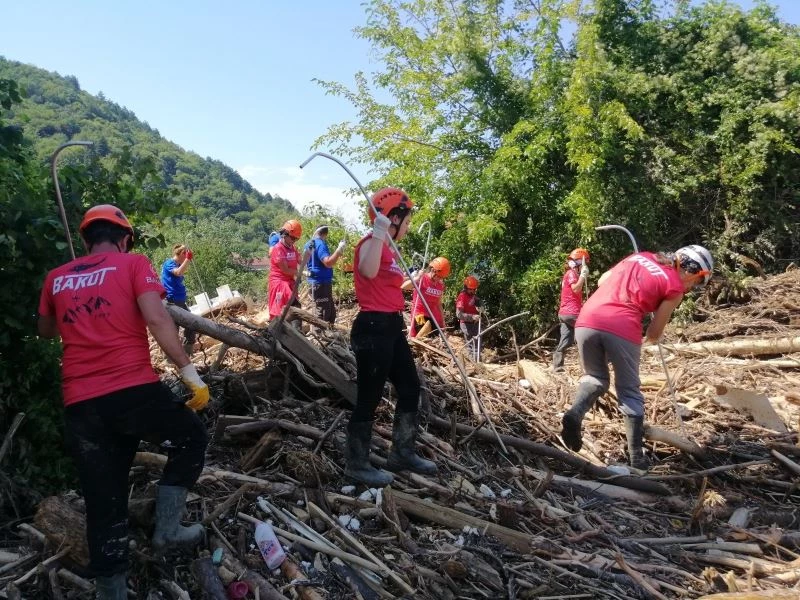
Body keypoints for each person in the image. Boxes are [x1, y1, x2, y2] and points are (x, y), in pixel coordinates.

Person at [37, 205, 210, 599]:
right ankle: (167, 531)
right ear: (124, 237)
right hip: (132, 390)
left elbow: (46, 329)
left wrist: (68, 296)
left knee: (104, 493)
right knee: (191, 438)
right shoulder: (133, 263)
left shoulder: (55, 277)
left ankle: (110, 588)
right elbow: (156, 318)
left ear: (84, 240)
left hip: (80, 402)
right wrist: (188, 372)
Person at [560, 245, 713, 469]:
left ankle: (575, 413)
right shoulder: (675, 287)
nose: (693, 287)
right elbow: (653, 333)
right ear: (691, 270)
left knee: (595, 377)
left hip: (587, 319)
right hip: (622, 324)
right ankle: (637, 459)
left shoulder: (641, 256)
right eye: (698, 281)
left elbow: (603, 281)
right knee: (629, 391)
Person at [346, 188, 438, 486]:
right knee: (369, 398)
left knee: (410, 387)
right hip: (372, 328)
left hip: (391, 328)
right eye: (406, 221)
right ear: (392, 218)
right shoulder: (370, 245)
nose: (408, 227)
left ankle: (402, 452)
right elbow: (368, 271)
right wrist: (378, 231)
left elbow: (388, 285)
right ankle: (356, 464)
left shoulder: (389, 250)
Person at [552, 248, 590, 372]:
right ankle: (588, 366)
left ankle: (557, 366)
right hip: (571, 313)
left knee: (566, 339)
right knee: (587, 334)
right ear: (579, 262)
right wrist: (583, 276)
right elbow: (576, 289)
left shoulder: (570, 274)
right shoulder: (571, 274)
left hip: (565, 313)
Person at [304, 225, 346, 324]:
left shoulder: (309, 244)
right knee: (323, 312)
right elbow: (328, 263)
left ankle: (328, 333)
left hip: (319, 283)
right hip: (320, 283)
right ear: (325, 234)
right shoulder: (320, 244)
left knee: (330, 311)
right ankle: (319, 335)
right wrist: (338, 250)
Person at [161, 244, 197, 355]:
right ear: (181, 254)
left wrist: (186, 261)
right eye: (185, 254)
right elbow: (178, 272)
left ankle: (187, 354)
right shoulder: (169, 263)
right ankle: (170, 357)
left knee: (191, 325)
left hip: (179, 301)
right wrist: (187, 259)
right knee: (173, 330)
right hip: (172, 301)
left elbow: (181, 270)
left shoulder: (178, 264)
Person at [403, 256, 450, 337]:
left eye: (441, 277)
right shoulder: (422, 278)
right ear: (432, 269)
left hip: (432, 316)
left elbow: (439, 304)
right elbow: (403, 286)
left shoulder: (440, 285)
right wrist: (417, 278)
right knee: (423, 335)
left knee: (436, 337)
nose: (438, 279)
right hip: (419, 315)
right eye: (438, 276)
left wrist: (443, 322)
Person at [268, 220, 302, 320]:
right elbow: (285, 269)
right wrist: (300, 273)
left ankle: (294, 331)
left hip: (290, 282)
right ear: (284, 234)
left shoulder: (293, 248)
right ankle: (275, 331)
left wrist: (310, 253)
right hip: (279, 282)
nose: (293, 240)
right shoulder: (278, 249)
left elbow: (301, 260)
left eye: (296, 239)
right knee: (280, 309)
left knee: (294, 307)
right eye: (292, 237)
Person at [456, 275, 481, 358]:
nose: (473, 291)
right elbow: (459, 314)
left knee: (478, 343)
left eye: (474, 289)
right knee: (471, 344)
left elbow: (479, 309)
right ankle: (473, 362)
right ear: (466, 288)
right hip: (466, 323)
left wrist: (481, 309)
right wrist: (472, 317)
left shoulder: (475, 297)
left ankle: (478, 361)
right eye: (471, 289)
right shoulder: (461, 297)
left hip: (475, 323)